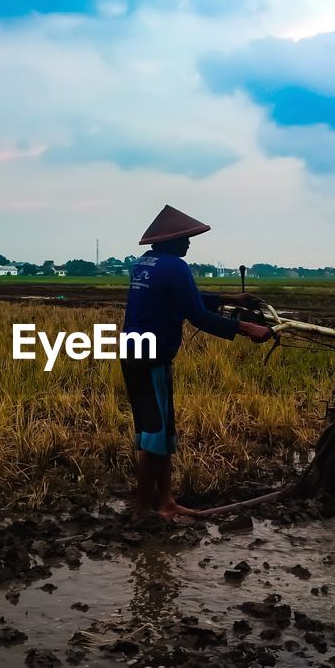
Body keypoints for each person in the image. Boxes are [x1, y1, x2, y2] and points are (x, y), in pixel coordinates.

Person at [121, 205, 271, 520]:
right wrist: (247, 328)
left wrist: (229, 300)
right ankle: (142, 510)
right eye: (186, 237)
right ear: (172, 239)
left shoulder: (144, 264)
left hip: (135, 353)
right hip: (152, 359)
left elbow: (184, 296)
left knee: (161, 434)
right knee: (155, 437)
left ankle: (165, 501)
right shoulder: (175, 266)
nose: (189, 243)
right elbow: (198, 315)